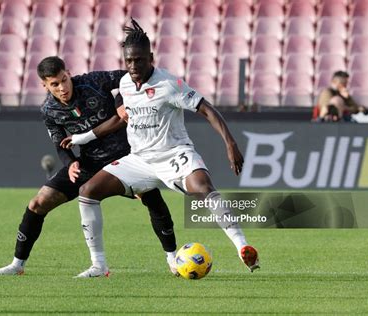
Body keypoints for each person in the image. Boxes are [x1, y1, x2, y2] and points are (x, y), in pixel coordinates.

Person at [74, 19, 259, 278]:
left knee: (204, 188)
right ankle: (99, 265)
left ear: (151, 57)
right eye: (129, 61)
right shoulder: (126, 84)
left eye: (139, 60)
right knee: (88, 191)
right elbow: (121, 115)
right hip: (140, 159)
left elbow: (206, 109)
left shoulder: (169, 84)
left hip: (174, 154)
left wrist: (231, 144)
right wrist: (82, 138)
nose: (133, 66)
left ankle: (242, 247)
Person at [0, 56, 177, 276]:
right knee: (38, 202)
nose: (62, 87)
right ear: (44, 85)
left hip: (124, 157)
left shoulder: (93, 82)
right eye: (54, 84)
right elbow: (60, 143)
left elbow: (128, 77)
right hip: (89, 162)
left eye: (64, 79)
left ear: (69, 72)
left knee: (151, 198)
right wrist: (70, 162)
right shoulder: (49, 110)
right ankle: (17, 265)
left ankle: (172, 259)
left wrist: (120, 103)